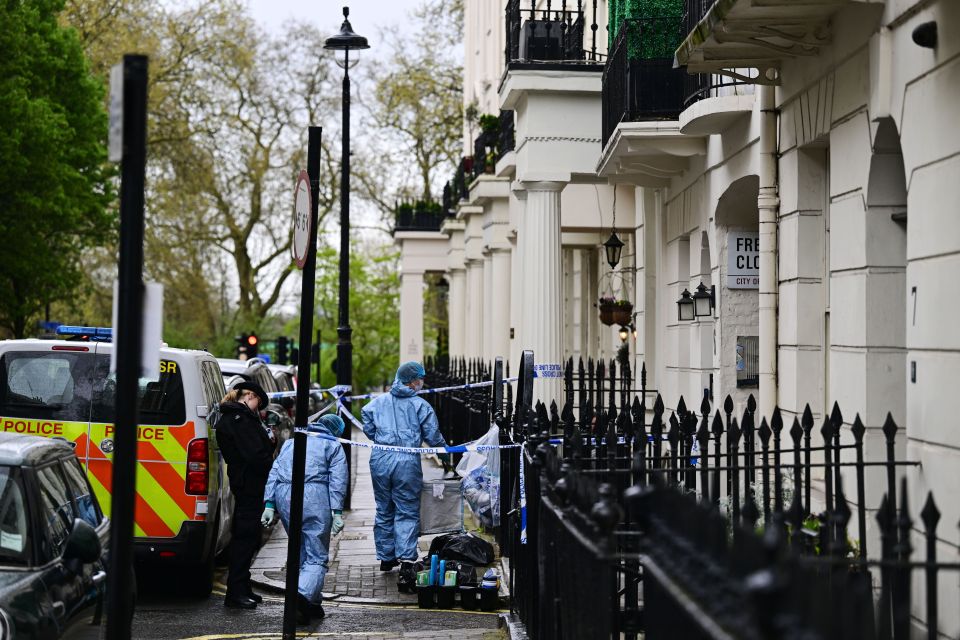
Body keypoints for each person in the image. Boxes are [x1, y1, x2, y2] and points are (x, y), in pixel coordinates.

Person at [361, 361, 447, 592]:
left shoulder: (377, 403)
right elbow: (433, 435)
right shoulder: (420, 406)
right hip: (406, 460)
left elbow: (367, 423)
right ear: (412, 381)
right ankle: (407, 563)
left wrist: (381, 439)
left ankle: (386, 556)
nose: (422, 383)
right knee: (407, 510)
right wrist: (446, 453)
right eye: (421, 379)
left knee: (384, 507)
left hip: (380, 458)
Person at [261, 414, 348, 625]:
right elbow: (338, 479)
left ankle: (313, 602)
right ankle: (302, 596)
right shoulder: (333, 446)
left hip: (284, 495)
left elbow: (275, 471)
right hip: (315, 495)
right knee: (317, 554)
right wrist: (337, 511)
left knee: (299, 548)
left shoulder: (292, 442)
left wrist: (270, 504)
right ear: (335, 431)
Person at [215, 381, 274, 609]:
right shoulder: (240, 421)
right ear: (250, 396)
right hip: (249, 484)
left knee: (249, 537)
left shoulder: (235, 418)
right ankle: (236, 591)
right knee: (245, 538)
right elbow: (256, 456)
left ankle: (242, 585)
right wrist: (270, 451)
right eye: (258, 403)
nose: (259, 410)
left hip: (245, 483)